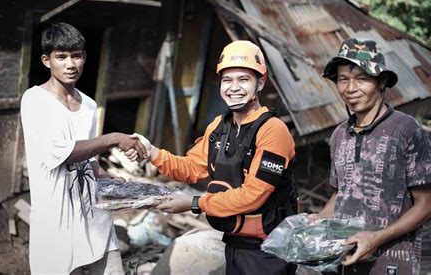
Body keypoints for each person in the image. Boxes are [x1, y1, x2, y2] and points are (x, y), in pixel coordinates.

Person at [128, 40, 299, 275]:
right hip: (235, 243)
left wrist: (194, 203)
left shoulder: (273, 130)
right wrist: (152, 152)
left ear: (260, 83)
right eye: (227, 80)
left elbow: (254, 195)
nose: (234, 87)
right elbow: (191, 168)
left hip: (269, 250)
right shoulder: (220, 126)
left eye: (244, 80)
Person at [20, 22, 146, 274]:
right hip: (55, 221)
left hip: (94, 215)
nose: (70, 64)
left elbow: (89, 159)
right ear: (46, 61)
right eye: (61, 57)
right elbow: (65, 152)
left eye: (76, 56)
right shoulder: (35, 100)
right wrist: (112, 138)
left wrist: (109, 179)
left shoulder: (88, 105)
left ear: (84, 58)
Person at [310, 38, 431, 274]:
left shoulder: (407, 130)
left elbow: (428, 204)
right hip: (343, 260)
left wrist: (376, 238)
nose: (350, 89)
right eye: (343, 79)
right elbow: (342, 193)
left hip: (391, 263)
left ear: (382, 81)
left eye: (361, 79)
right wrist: (321, 218)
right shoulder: (339, 135)